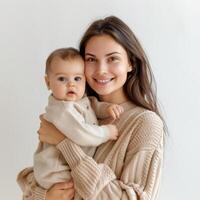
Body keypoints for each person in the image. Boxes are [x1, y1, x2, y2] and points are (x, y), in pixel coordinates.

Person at [17, 16, 165, 200]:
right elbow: (40, 175)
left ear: (131, 63)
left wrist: (65, 144)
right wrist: (45, 196)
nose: (101, 69)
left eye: (112, 58)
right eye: (91, 59)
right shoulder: (74, 110)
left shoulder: (145, 124)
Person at [34, 47, 123, 190]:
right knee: (90, 186)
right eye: (62, 78)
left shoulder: (77, 101)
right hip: (56, 172)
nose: (71, 84)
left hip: (67, 168)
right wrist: (106, 132)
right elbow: (82, 133)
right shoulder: (63, 110)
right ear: (48, 82)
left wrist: (106, 108)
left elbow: (91, 107)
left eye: (77, 78)